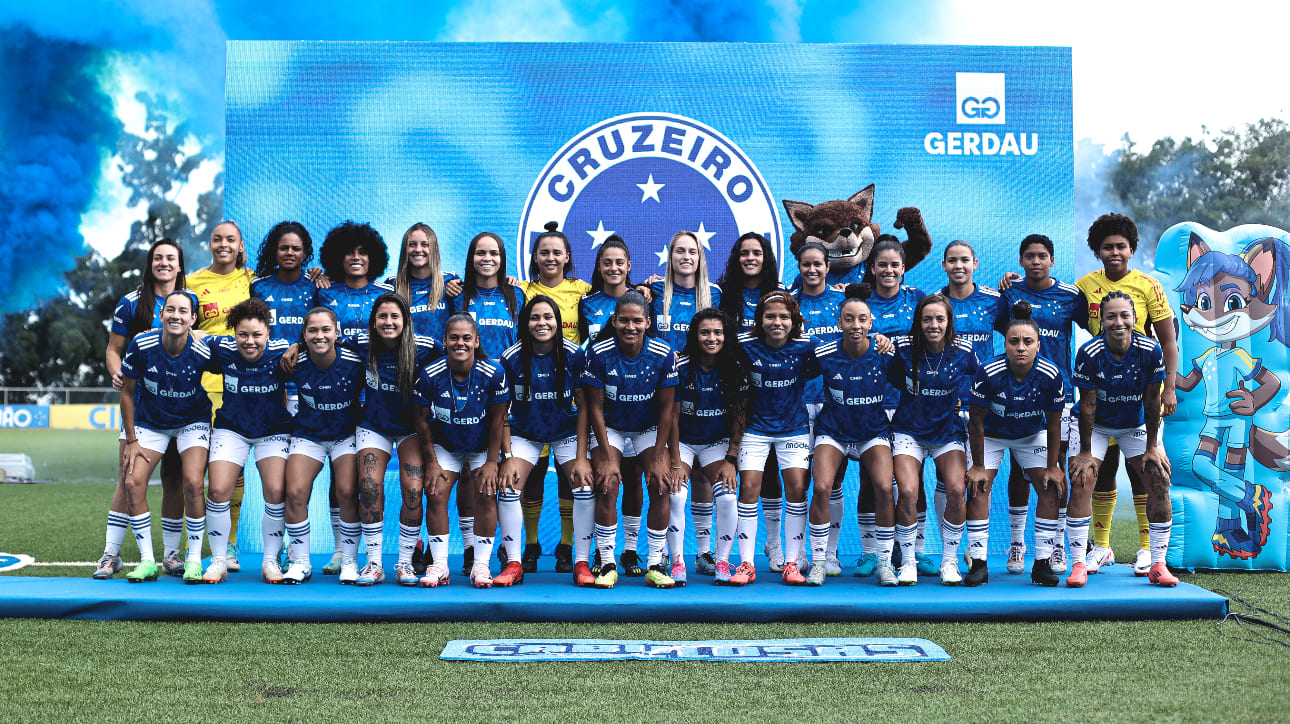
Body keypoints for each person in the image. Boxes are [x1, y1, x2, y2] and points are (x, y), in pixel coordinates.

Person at [1076, 213, 1179, 574]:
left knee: (1144, 469)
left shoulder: (1148, 286)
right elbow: (1059, 311)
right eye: (1107, 247)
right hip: (1102, 392)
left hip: (1142, 393)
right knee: (1102, 471)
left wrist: (1170, 386)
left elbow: (1168, 341)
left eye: (1121, 246)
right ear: (1097, 251)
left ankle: (1147, 549)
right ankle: (1101, 547)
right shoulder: (1085, 286)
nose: (1114, 252)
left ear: (1132, 249)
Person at [94, 238, 188, 580]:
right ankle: (111, 555)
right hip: (142, 410)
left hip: (181, 407)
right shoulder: (131, 303)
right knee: (128, 478)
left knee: (175, 479)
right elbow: (112, 350)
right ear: (150, 264)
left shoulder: (189, 301)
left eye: (170, 258)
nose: (164, 263)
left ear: (180, 265)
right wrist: (117, 372)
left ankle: (173, 556)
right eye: (158, 258)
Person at [996, 234, 1088, 576]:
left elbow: (1094, 324)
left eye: (1042, 256)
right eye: (1029, 256)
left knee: (1056, 468)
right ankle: (1017, 546)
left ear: (1052, 260)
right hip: (1017, 392)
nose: (1036, 261)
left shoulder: (1070, 296)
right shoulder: (1011, 292)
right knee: (1020, 469)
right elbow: (1001, 331)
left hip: (1059, 396)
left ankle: (1057, 546)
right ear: (1021, 261)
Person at [583, 290, 681, 589]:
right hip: (610, 426)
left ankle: (654, 563)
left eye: (637, 321)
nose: (630, 326)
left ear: (647, 322)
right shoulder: (599, 353)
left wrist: (658, 456)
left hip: (647, 428)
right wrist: (608, 457)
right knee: (607, 481)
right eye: (623, 320)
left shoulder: (663, 354)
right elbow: (594, 408)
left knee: (660, 483)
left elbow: (667, 410)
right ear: (613, 321)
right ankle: (607, 561)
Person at [964, 303, 1066, 586]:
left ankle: (1042, 563)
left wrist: (1053, 466)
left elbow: (1055, 423)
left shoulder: (1051, 374)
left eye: (1027, 341)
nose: (1021, 347)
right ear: (1004, 344)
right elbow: (976, 423)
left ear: (1038, 345)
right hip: (992, 435)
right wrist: (979, 466)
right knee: (978, 485)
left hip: (1031, 435)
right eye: (1014, 341)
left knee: (1050, 485)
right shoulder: (988, 372)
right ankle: (979, 564)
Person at [116, 290, 212, 584]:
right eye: (170, 309)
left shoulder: (203, 349)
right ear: (161, 314)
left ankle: (194, 561)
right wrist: (131, 439)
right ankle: (147, 562)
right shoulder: (141, 343)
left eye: (183, 311)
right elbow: (127, 392)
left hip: (191, 421)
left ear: (193, 319)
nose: (176, 315)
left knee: (194, 483)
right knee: (132, 481)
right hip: (150, 422)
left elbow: (238, 363)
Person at [346, 293, 441, 586]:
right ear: (374, 322)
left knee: (413, 490)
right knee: (369, 486)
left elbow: (455, 360)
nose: (388, 322)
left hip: (412, 427)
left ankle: (405, 563)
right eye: (382, 316)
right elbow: (326, 346)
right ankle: (374, 563)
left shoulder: (424, 348)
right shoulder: (360, 344)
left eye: (394, 316)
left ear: (406, 321)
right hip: (374, 424)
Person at [314, 220, 393, 574]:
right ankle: (340, 550)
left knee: (363, 479)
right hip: (335, 390)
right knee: (339, 476)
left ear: (374, 256)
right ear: (336, 257)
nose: (356, 258)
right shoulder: (324, 292)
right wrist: (314, 274)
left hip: (376, 393)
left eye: (363, 252)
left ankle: (371, 553)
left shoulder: (385, 293)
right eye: (348, 252)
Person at [499, 297, 594, 585]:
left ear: (558, 322)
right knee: (508, 488)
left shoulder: (574, 354)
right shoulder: (511, 357)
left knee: (584, 486)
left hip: (565, 431)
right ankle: (514, 563)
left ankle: (582, 563)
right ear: (525, 323)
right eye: (535, 318)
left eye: (548, 317)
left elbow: (584, 406)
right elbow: (502, 411)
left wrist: (580, 457)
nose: (542, 323)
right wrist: (506, 456)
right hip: (525, 432)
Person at [804, 286, 893, 586]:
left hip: (873, 430)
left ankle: (884, 561)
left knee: (883, 487)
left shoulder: (885, 353)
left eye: (862, 320)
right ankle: (819, 561)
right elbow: (794, 376)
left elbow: (910, 379)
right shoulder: (825, 353)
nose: (856, 326)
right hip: (834, 431)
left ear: (871, 322)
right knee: (822, 488)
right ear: (839, 322)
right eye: (849, 319)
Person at [413, 313, 510, 588]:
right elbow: (420, 421)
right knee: (435, 492)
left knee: (487, 492)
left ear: (477, 341)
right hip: (446, 445)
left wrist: (493, 461)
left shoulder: (494, 372)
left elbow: (497, 421)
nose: (460, 343)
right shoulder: (429, 374)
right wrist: (431, 463)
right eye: (454, 337)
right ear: (444, 341)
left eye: (467, 338)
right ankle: (440, 565)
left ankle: (480, 565)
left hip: (481, 446)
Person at [199, 298, 292, 583]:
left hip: (272, 430)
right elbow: (195, 335)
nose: (249, 341)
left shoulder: (282, 351)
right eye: (242, 334)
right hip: (232, 429)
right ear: (233, 333)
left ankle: (270, 561)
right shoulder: (223, 348)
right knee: (217, 491)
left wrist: (298, 346)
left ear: (268, 333)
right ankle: (218, 561)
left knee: (276, 492)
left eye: (256, 335)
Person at [731, 291, 820, 586]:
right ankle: (746, 564)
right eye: (770, 316)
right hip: (754, 429)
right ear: (759, 320)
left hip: (793, 427)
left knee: (796, 488)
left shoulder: (807, 346)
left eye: (784, 317)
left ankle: (792, 563)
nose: (777, 322)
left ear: (794, 321)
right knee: (749, 490)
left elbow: (841, 352)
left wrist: (880, 341)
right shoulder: (744, 345)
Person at [518, 222, 592, 574]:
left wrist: (646, 289)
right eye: (543, 251)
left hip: (566, 389)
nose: (550, 257)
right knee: (531, 474)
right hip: (530, 390)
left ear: (567, 257)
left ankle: (566, 546)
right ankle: (530, 545)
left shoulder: (584, 291)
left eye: (556, 252)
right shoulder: (519, 289)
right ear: (534, 257)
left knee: (568, 476)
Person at [889, 294, 977, 585]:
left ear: (949, 322)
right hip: (908, 430)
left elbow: (983, 381)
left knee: (955, 488)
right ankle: (908, 562)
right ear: (918, 322)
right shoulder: (903, 348)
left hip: (946, 431)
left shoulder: (964, 351)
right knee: (909, 491)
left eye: (940, 318)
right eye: (927, 319)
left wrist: (963, 404)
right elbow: (891, 379)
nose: (933, 324)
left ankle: (949, 563)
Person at [856, 236, 930, 577]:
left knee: (913, 479)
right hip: (868, 400)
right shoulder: (859, 299)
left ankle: (917, 550)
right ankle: (871, 552)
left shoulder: (916, 299)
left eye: (894, 265)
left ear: (904, 269)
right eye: (881, 264)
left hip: (908, 402)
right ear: (872, 268)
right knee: (871, 479)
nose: (888, 270)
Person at [717, 232, 790, 570]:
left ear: (766, 258)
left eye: (756, 253)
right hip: (734, 393)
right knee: (746, 476)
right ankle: (727, 554)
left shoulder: (780, 293)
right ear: (736, 257)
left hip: (775, 393)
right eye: (744, 252)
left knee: (773, 474)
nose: (750, 258)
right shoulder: (723, 294)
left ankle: (774, 546)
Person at [579, 237, 650, 576]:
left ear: (629, 265)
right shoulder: (586, 302)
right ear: (599, 266)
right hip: (601, 396)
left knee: (635, 479)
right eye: (606, 262)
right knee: (605, 480)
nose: (613, 268)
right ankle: (602, 553)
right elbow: (580, 347)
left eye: (619, 262)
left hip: (639, 399)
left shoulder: (644, 298)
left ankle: (631, 551)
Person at [188, 221, 254, 572]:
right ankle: (193, 546)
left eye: (230, 239)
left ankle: (228, 545)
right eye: (218, 239)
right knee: (199, 471)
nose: (223, 245)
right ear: (210, 244)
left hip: (243, 385)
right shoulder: (194, 283)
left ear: (241, 245)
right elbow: (181, 322)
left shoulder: (254, 280)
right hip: (204, 384)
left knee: (233, 470)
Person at [669, 308, 747, 585]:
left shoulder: (735, 368)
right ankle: (677, 562)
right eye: (705, 332)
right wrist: (676, 462)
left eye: (717, 332)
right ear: (694, 335)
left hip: (716, 443)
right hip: (682, 442)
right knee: (675, 494)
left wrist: (730, 460)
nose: (711, 338)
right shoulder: (679, 366)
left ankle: (722, 561)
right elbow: (672, 417)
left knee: (727, 495)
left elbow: (740, 416)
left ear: (726, 336)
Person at [793, 242, 847, 576]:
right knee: (798, 483)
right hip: (795, 403)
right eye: (806, 265)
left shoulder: (843, 303)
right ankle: (795, 553)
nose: (812, 270)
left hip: (832, 405)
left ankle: (830, 554)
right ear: (798, 267)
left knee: (832, 482)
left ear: (828, 267)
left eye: (818, 264)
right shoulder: (788, 301)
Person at [451, 231, 525, 359]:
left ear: (502, 258)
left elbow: (524, 342)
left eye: (494, 253)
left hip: (507, 375)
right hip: (469, 376)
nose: (487, 258)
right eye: (480, 253)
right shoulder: (456, 294)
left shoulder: (517, 295)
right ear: (471, 258)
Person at [386, 222, 460, 345]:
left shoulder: (450, 281)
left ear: (434, 249)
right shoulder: (392, 284)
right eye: (412, 245)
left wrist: (502, 283)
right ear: (405, 249)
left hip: (442, 360)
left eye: (425, 244)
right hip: (405, 360)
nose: (418, 249)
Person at [251, 221, 318, 349]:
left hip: (307, 362)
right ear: (274, 251)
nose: (289, 252)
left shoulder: (315, 284)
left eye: (296, 249)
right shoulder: (258, 285)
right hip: (270, 362)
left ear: (304, 254)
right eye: (284, 248)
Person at [650, 230, 722, 352]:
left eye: (692, 252)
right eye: (680, 251)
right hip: (661, 367)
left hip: (697, 368)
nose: (686, 257)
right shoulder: (654, 289)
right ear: (671, 256)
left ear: (699, 257)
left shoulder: (714, 294)